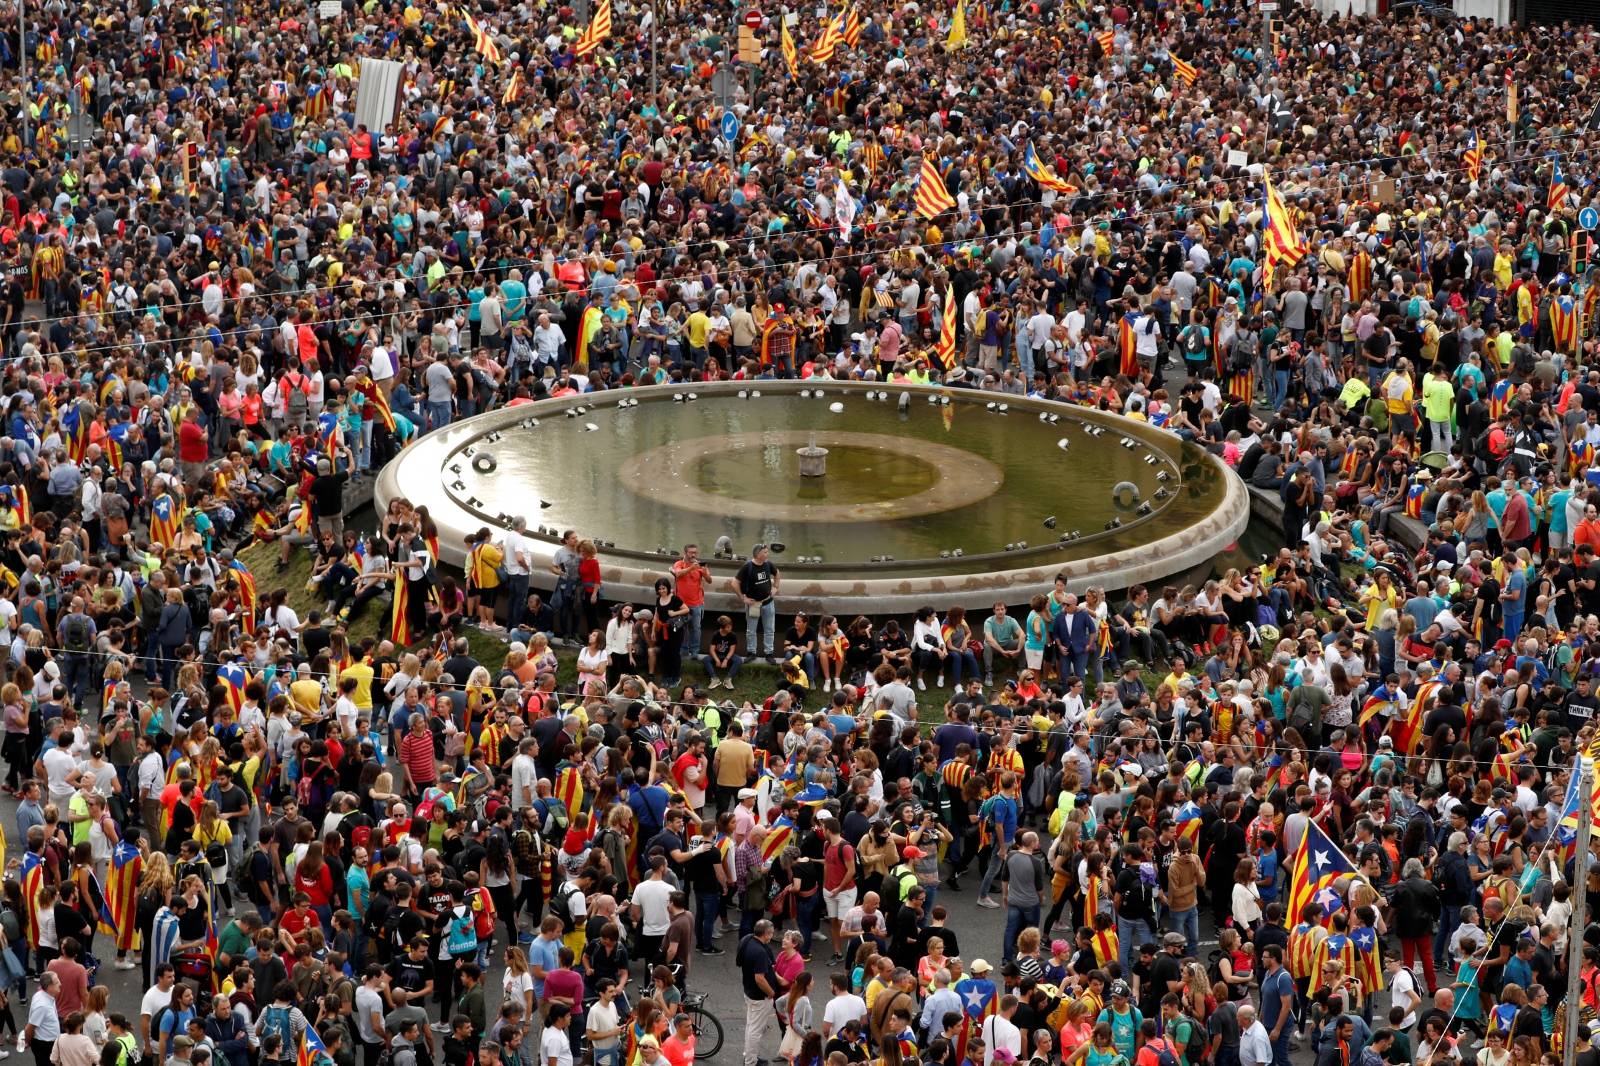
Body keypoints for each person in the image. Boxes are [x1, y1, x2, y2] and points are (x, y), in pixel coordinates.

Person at [738, 919, 780, 1066]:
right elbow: (760, 979)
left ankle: (750, 1055)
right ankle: (750, 1061)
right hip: (759, 997)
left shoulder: (746, 939)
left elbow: (739, 962)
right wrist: (771, 993)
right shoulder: (760, 952)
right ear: (767, 934)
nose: (772, 935)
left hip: (749, 991)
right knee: (755, 1030)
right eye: (772, 933)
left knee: (751, 1026)